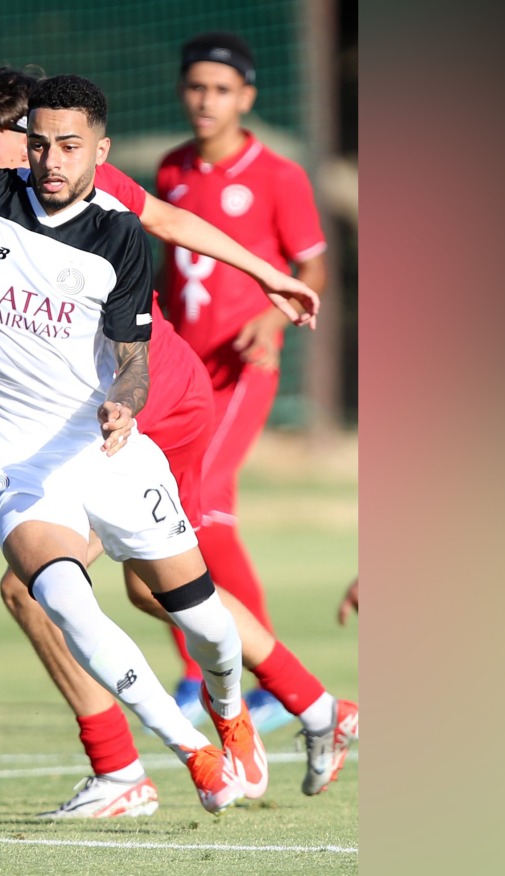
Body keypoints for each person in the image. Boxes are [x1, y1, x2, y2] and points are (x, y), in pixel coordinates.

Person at [0, 62, 356, 811]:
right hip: (75, 420)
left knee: (69, 588)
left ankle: (138, 764)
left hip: (152, 404)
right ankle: (307, 712)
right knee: (119, 591)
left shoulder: (100, 207)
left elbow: (171, 227)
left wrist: (267, 275)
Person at [155, 33, 332, 734]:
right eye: (196, 87)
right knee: (160, 512)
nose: (206, 100)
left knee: (202, 503)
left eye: (221, 89)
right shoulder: (170, 170)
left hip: (242, 370)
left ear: (247, 99)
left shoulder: (279, 176)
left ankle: (259, 675)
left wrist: (272, 317)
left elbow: (311, 269)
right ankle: (197, 671)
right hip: (181, 373)